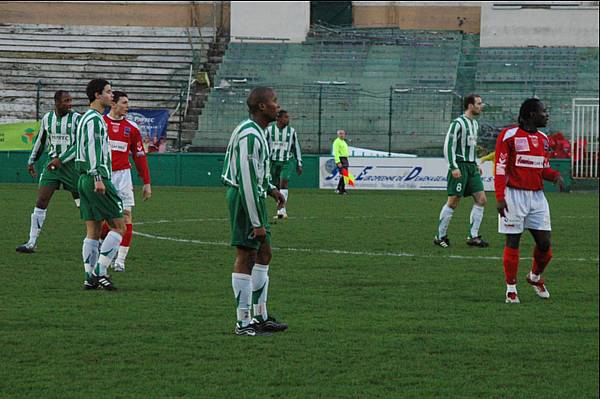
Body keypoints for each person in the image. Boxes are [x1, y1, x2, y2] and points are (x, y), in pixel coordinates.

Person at [221, 86, 287, 336]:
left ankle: (261, 315)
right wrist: (257, 221)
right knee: (247, 255)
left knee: (264, 254)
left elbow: (257, 172)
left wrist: (270, 189)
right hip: (243, 197)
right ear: (262, 107)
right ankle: (243, 321)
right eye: (274, 101)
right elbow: (247, 179)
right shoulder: (249, 134)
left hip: (255, 196)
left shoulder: (258, 132)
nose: (277, 106)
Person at [495, 98, 564, 304]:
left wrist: (554, 176)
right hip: (513, 195)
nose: (547, 114)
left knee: (545, 245)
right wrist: (500, 197)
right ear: (532, 114)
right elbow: (500, 168)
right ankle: (511, 289)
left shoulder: (544, 139)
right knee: (513, 241)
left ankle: (534, 277)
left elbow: (542, 167)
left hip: (537, 197)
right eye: (544, 111)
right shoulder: (509, 136)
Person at [76, 78, 125, 291]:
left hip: (83, 178)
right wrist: (97, 177)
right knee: (119, 226)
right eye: (108, 91)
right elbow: (94, 148)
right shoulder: (96, 120)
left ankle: (89, 276)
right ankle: (100, 271)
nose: (111, 95)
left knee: (93, 230)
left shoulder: (83, 118)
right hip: (96, 177)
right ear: (97, 95)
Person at [16, 91, 81, 253]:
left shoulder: (77, 119)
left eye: (71, 100)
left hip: (72, 167)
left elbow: (80, 143)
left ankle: (98, 239)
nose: (70, 103)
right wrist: (31, 161)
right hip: (52, 167)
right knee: (41, 201)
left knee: (83, 205)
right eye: (66, 101)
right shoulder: (47, 118)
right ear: (57, 103)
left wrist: (62, 159)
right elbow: (41, 141)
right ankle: (31, 242)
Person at [101, 90, 152, 272]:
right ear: (113, 104)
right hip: (103, 176)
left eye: (127, 103)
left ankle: (120, 260)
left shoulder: (132, 128)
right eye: (124, 103)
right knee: (102, 221)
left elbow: (139, 156)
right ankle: (104, 253)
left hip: (123, 176)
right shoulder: (100, 124)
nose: (127, 106)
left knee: (126, 216)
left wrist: (146, 182)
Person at [434, 94, 489, 248]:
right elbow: (448, 145)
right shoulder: (458, 123)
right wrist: (453, 166)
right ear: (470, 106)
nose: (481, 106)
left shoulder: (475, 124)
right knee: (453, 202)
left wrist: (475, 163)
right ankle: (440, 236)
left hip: (471, 167)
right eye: (478, 103)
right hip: (459, 165)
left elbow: (471, 146)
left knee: (482, 200)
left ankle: (473, 237)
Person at [266, 109, 302, 219]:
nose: (288, 119)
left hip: (287, 161)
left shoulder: (291, 131)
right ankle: (282, 211)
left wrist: (299, 163)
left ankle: (281, 210)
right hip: (273, 162)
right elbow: (264, 145)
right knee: (276, 187)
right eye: (286, 117)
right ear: (278, 118)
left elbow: (296, 147)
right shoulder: (269, 130)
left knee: (283, 182)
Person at [333, 129, 350, 195]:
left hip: (345, 159)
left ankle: (339, 189)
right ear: (338, 134)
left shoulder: (343, 141)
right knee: (343, 174)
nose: (342, 135)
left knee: (344, 175)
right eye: (340, 133)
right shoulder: (337, 142)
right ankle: (341, 190)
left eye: (343, 133)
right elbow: (336, 153)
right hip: (341, 159)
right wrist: (338, 162)